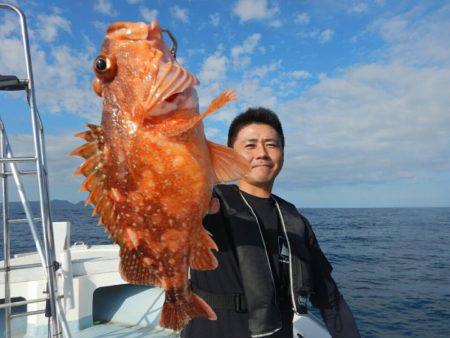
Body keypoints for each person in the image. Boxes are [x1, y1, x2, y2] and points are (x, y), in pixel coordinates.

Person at [181, 107, 360, 338]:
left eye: (272, 145)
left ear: (282, 154)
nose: (262, 153)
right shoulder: (208, 202)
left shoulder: (296, 221)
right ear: (229, 153)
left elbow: (330, 298)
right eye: (250, 145)